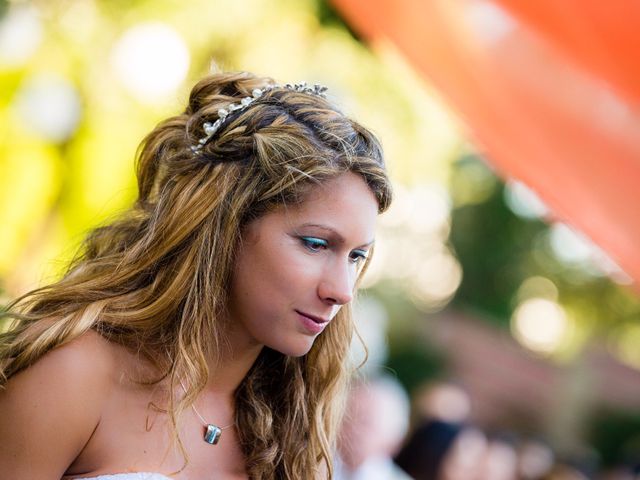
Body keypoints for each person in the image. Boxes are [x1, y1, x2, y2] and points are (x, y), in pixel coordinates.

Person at [0, 70, 392, 479]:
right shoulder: (74, 374)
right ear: (227, 224)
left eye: (356, 256)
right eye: (315, 244)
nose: (343, 291)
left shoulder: (290, 430)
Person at [335, 376, 412, 480]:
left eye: (365, 422)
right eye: (347, 417)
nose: (352, 428)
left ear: (394, 441)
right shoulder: (314, 465)